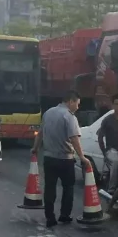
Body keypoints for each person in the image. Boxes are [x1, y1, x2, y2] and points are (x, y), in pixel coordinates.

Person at [33, 91, 88, 228]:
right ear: (70, 101)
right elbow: (74, 138)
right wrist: (82, 157)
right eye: (77, 104)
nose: (77, 107)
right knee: (68, 188)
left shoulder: (48, 113)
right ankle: (64, 215)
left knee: (50, 188)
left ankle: (50, 217)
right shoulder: (69, 117)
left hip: (49, 158)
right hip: (65, 159)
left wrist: (35, 148)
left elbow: (40, 133)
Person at [97, 94, 118, 193]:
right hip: (112, 150)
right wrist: (105, 152)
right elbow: (100, 137)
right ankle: (111, 189)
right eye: (116, 104)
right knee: (116, 162)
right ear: (112, 105)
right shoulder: (107, 120)